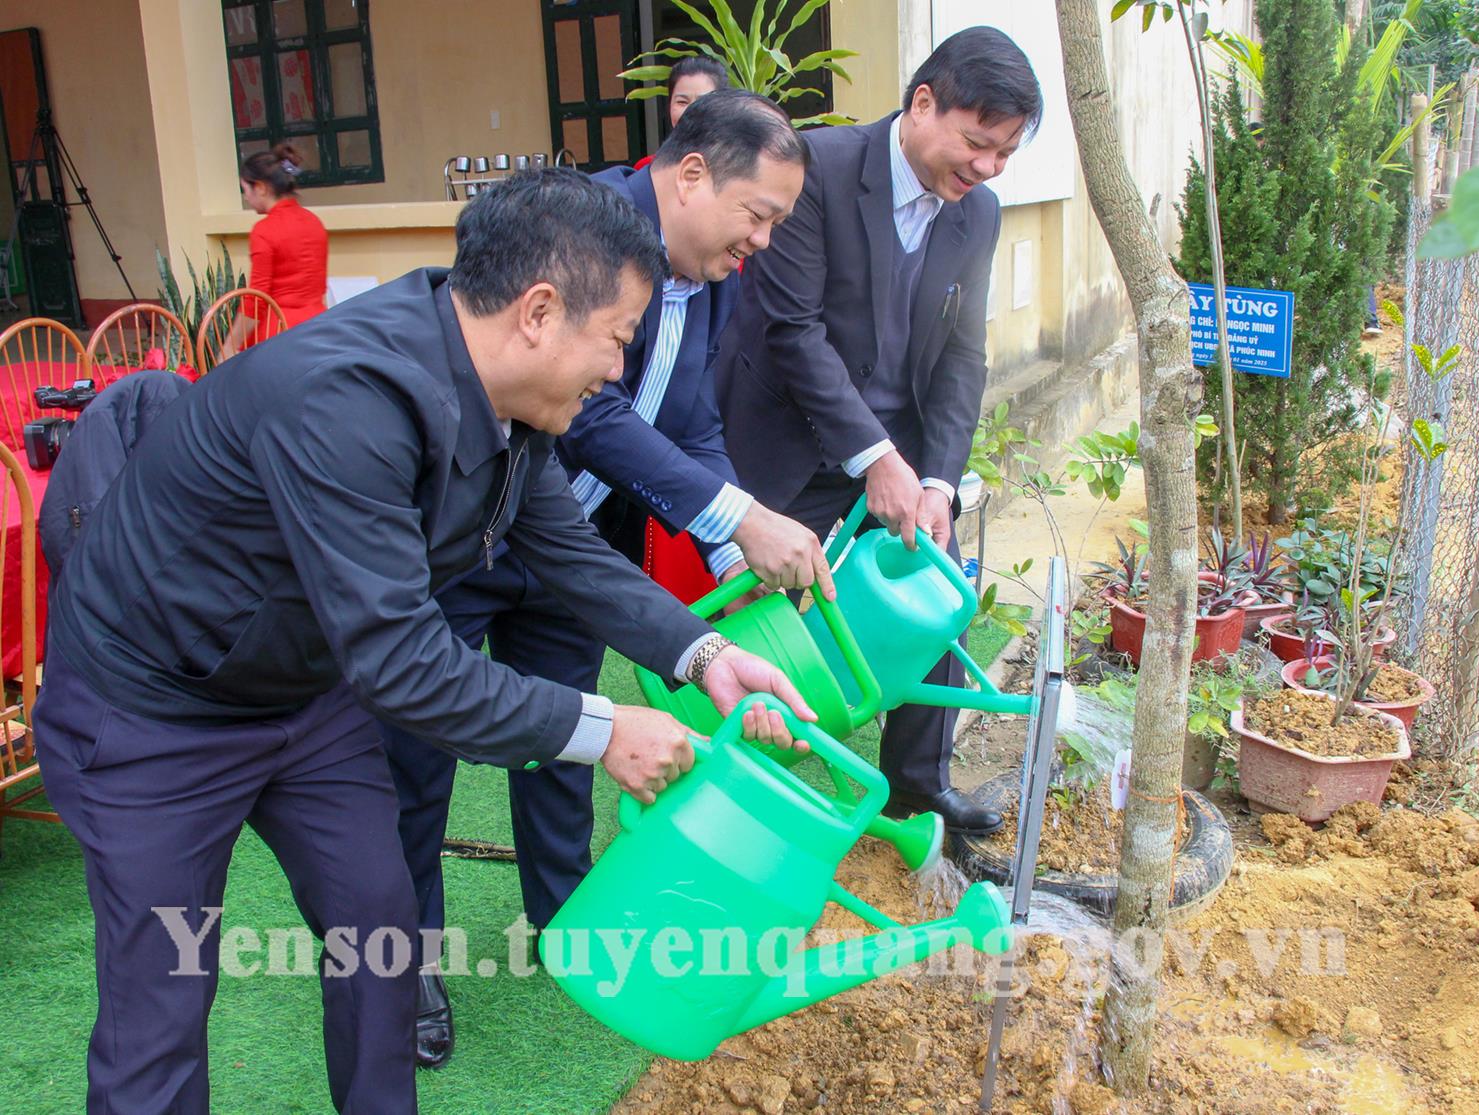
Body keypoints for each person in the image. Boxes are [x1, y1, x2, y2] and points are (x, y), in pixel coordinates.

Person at [34, 169, 814, 1115]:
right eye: (614, 339)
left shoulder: (503, 393)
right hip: (151, 709)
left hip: (303, 694)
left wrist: (704, 655)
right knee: (160, 995)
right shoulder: (344, 401)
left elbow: (570, 553)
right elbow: (402, 664)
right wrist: (604, 727)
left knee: (379, 922)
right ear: (538, 311)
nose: (617, 369)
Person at [379, 89, 822, 1068]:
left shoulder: (706, 276)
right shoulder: (576, 236)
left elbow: (690, 424)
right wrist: (739, 514)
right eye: (759, 216)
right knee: (414, 759)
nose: (761, 242)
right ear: (694, 173)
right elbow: (592, 415)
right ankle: (408, 967)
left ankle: (570, 920)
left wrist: (726, 556)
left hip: (574, 551)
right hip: (463, 543)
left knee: (566, 742)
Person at [716, 27, 1043, 835]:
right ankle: (737, 795)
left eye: (1004, 153)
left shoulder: (980, 214)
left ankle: (913, 784)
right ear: (922, 103)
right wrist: (877, 457)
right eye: (977, 143)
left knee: (942, 597)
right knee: (761, 615)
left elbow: (963, 353)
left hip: (898, 451)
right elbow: (792, 329)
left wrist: (934, 482)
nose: (988, 168)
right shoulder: (817, 169)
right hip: (785, 441)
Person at [217, 143, 330, 360]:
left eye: (245, 190)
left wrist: (229, 347)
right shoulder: (314, 222)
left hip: (279, 334)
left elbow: (257, 299)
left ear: (260, 187)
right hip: (319, 329)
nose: (246, 197)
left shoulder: (264, 230)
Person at [633, 56, 730, 169]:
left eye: (703, 101)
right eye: (682, 102)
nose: (691, 110)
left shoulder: (740, 168)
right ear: (670, 104)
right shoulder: (647, 169)